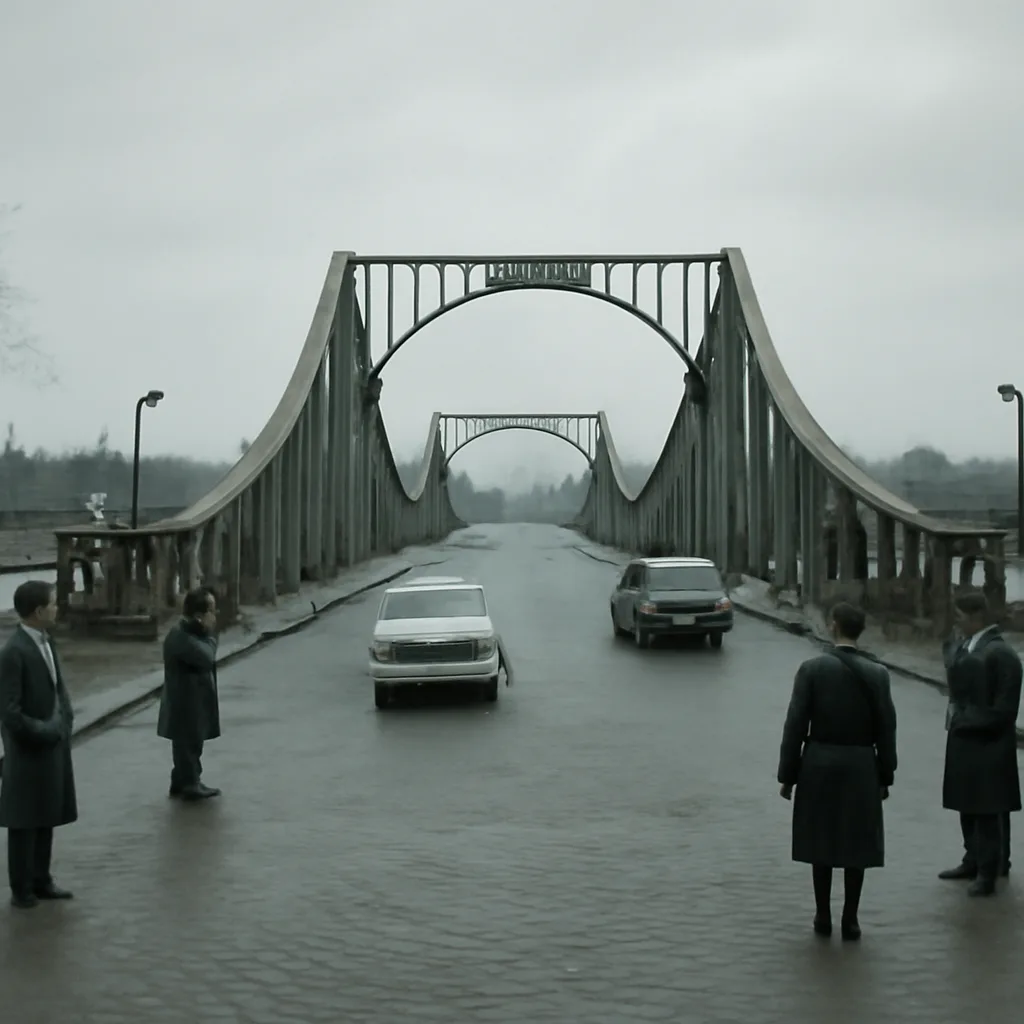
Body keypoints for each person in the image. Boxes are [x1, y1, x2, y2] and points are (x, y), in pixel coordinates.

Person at [777, 601, 897, 940]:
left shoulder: (812, 669)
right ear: (860, 631)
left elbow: (795, 726)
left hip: (819, 763)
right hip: (861, 765)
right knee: (856, 842)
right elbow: (887, 729)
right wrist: (885, 775)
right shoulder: (878, 674)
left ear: (833, 626)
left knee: (822, 840)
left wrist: (788, 775)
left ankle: (821, 914)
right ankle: (851, 918)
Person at [0, 580, 78, 909]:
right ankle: (22, 888)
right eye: (53, 603)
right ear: (38, 610)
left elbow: (58, 686)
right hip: (28, 749)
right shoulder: (13, 652)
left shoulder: (49, 642)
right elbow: (10, 711)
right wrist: (45, 730)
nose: (58, 607)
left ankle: (42, 878)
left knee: (46, 812)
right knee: (24, 820)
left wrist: (66, 718)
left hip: (52, 745)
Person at [938, 591, 1021, 895]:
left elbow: (1004, 711)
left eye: (960, 618)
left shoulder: (1002, 654)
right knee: (968, 805)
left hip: (989, 745)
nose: (957, 625)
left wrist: (966, 722)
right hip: (967, 740)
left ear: (976, 618)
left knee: (988, 810)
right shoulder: (967, 647)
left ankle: (990, 870)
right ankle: (972, 860)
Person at [157, 586, 222, 801]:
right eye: (211, 611)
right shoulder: (181, 637)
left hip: (192, 702)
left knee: (192, 743)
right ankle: (190, 782)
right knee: (188, 745)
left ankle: (183, 780)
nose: (215, 616)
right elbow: (207, 656)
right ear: (198, 616)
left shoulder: (190, 633)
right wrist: (212, 636)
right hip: (185, 703)